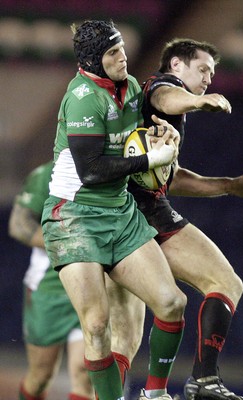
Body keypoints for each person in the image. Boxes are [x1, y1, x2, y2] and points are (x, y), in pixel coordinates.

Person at [41, 20, 187, 400]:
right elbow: (90, 171)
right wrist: (150, 160)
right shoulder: (83, 97)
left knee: (172, 303)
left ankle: (155, 395)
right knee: (97, 324)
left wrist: (162, 135)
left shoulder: (133, 87)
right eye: (112, 52)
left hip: (120, 214)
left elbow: (139, 138)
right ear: (92, 60)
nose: (123, 57)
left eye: (121, 48)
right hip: (74, 217)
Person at [124, 38, 243, 400]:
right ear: (177, 64)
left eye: (211, 73)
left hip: (137, 207)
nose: (208, 78)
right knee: (218, 283)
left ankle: (190, 384)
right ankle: (199, 382)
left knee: (122, 332)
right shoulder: (165, 88)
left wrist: (228, 185)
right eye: (203, 69)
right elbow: (165, 96)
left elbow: (170, 176)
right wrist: (198, 101)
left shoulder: (162, 115)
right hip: (140, 209)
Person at [8, 161, 94, 400]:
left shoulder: (112, 170)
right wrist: (67, 246)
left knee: (84, 374)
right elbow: (18, 224)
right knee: (41, 375)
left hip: (92, 285)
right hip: (50, 287)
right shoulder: (48, 174)